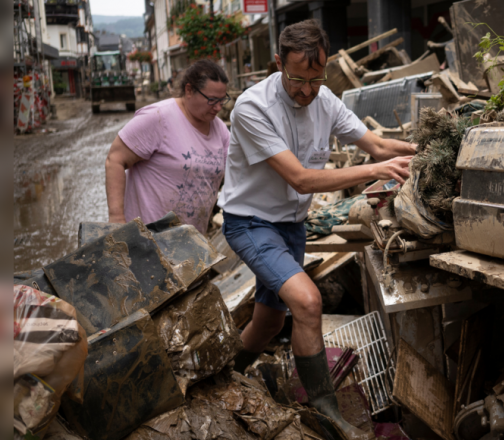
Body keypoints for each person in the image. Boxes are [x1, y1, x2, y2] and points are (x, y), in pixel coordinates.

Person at [218, 19, 415, 438]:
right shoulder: (252, 108)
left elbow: (378, 145)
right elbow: (302, 180)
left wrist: (422, 151)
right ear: (278, 64)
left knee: (269, 324)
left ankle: (218, 380)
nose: (307, 90)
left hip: (291, 226)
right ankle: (329, 415)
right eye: (298, 79)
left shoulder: (325, 99)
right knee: (308, 303)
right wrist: (376, 170)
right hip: (251, 223)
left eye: (316, 78)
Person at [105, 59, 231, 234]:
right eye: (212, 100)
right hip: (147, 238)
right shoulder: (158, 117)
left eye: (222, 100)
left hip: (190, 240)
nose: (218, 107)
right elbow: (115, 160)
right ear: (189, 90)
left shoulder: (220, 130)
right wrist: (117, 219)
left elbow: (234, 172)